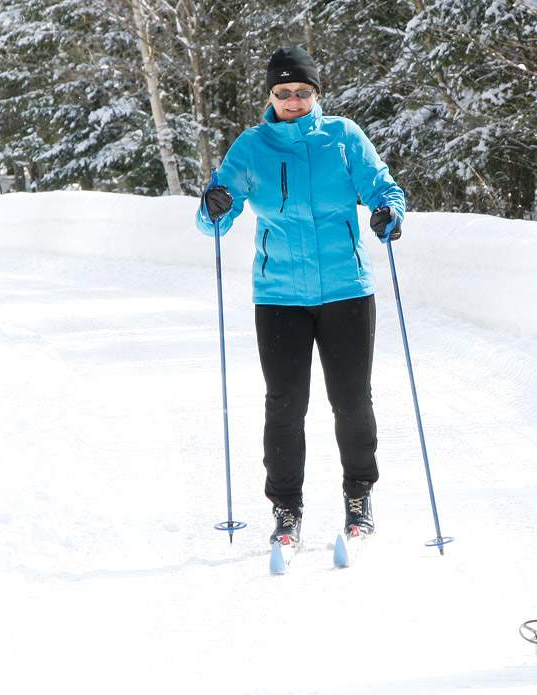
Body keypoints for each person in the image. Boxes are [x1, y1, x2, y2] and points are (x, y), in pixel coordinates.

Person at [197, 46, 405, 547]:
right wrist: (215, 206)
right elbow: (213, 221)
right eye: (283, 92)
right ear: (270, 94)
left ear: (316, 93)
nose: (293, 99)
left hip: (346, 290)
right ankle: (286, 509)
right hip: (279, 294)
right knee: (285, 405)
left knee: (352, 401)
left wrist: (388, 214)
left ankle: (359, 498)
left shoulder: (343, 137)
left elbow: (384, 187)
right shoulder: (251, 146)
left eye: (303, 91)